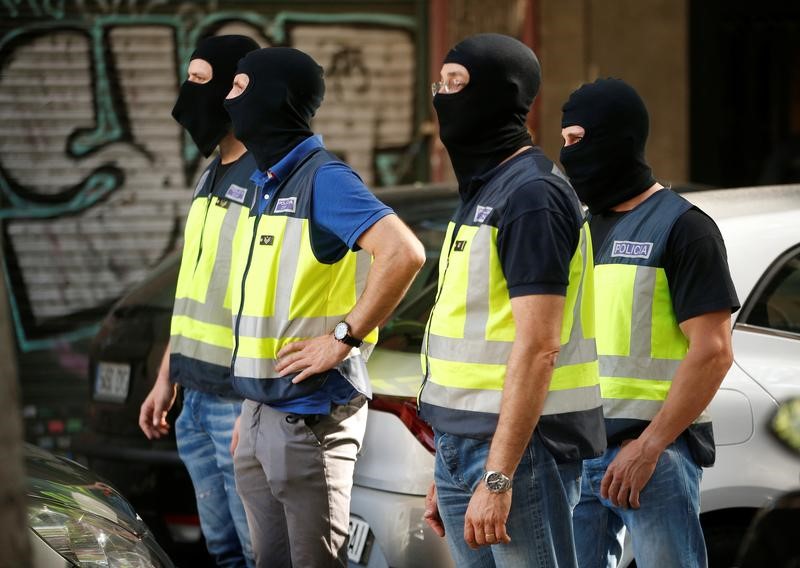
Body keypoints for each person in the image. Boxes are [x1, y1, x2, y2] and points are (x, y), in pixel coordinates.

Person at [222, 47, 426, 568]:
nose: (227, 98)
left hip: (308, 416)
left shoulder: (324, 178)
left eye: (241, 87)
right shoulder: (266, 182)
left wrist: (343, 338)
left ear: (275, 98)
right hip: (264, 410)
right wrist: (253, 406)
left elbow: (403, 252)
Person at [419, 33, 606, 568]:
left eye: (457, 85)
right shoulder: (486, 189)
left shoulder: (531, 196)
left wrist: (496, 477)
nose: (442, 98)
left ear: (500, 96)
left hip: (520, 455)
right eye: (441, 84)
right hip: (466, 448)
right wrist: (448, 468)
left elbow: (540, 345)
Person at [560, 78, 740, 568]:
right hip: (576, 455)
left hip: (653, 456)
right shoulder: (579, 229)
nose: (566, 154)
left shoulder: (685, 228)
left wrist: (649, 445)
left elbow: (714, 351)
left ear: (616, 137)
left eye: (576, 140)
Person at [138, 34, 258, 567]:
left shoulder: (268, 180)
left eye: (201, 81)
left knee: (261, 554)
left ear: (238, 88)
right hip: (194, 398)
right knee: (223, 553)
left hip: (238, 400)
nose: (187, 96)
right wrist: (167, 377)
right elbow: (195, 288)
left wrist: (254, 408)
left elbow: (272, 300)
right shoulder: (211, 176)